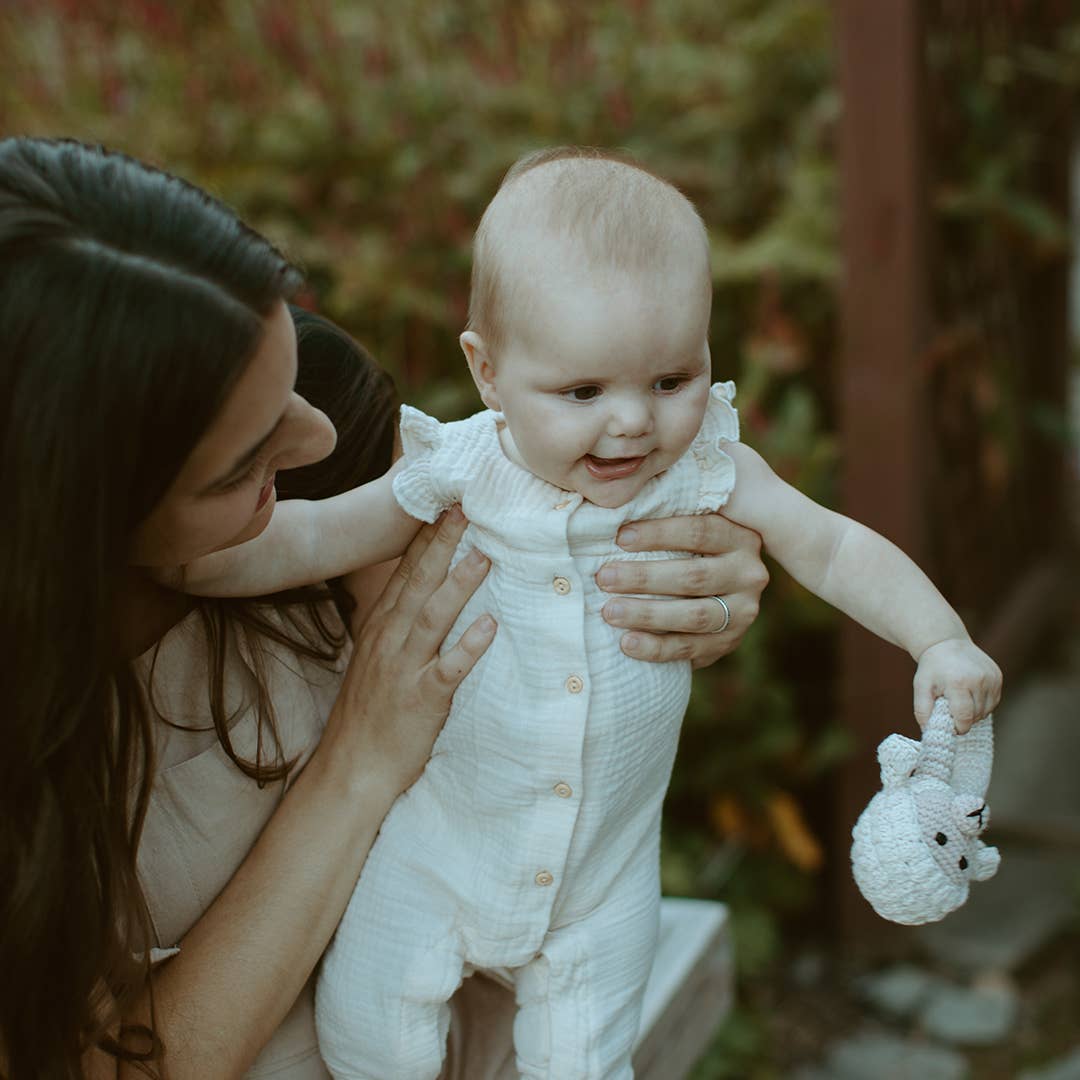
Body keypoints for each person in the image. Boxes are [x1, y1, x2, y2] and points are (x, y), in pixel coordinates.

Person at [173, 147, 1003, 1079]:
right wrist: (182, 557)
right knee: (371, 1035)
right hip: (438, 846)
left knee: (587, 1060)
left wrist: (939, 637)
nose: (634, 422)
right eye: (583, 393)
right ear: (488, 373)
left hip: (603, 877)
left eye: (672, 380)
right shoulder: (464, 469)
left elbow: (835, 548)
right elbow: (318, 535)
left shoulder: (707, 467)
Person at [0, 137, 770, 1079]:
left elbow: (542, 612)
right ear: (78, 521)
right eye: (244, 459)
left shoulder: (332, 443)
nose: (314, 435)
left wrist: (685, 584)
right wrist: (357, 762)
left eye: (284, 374)